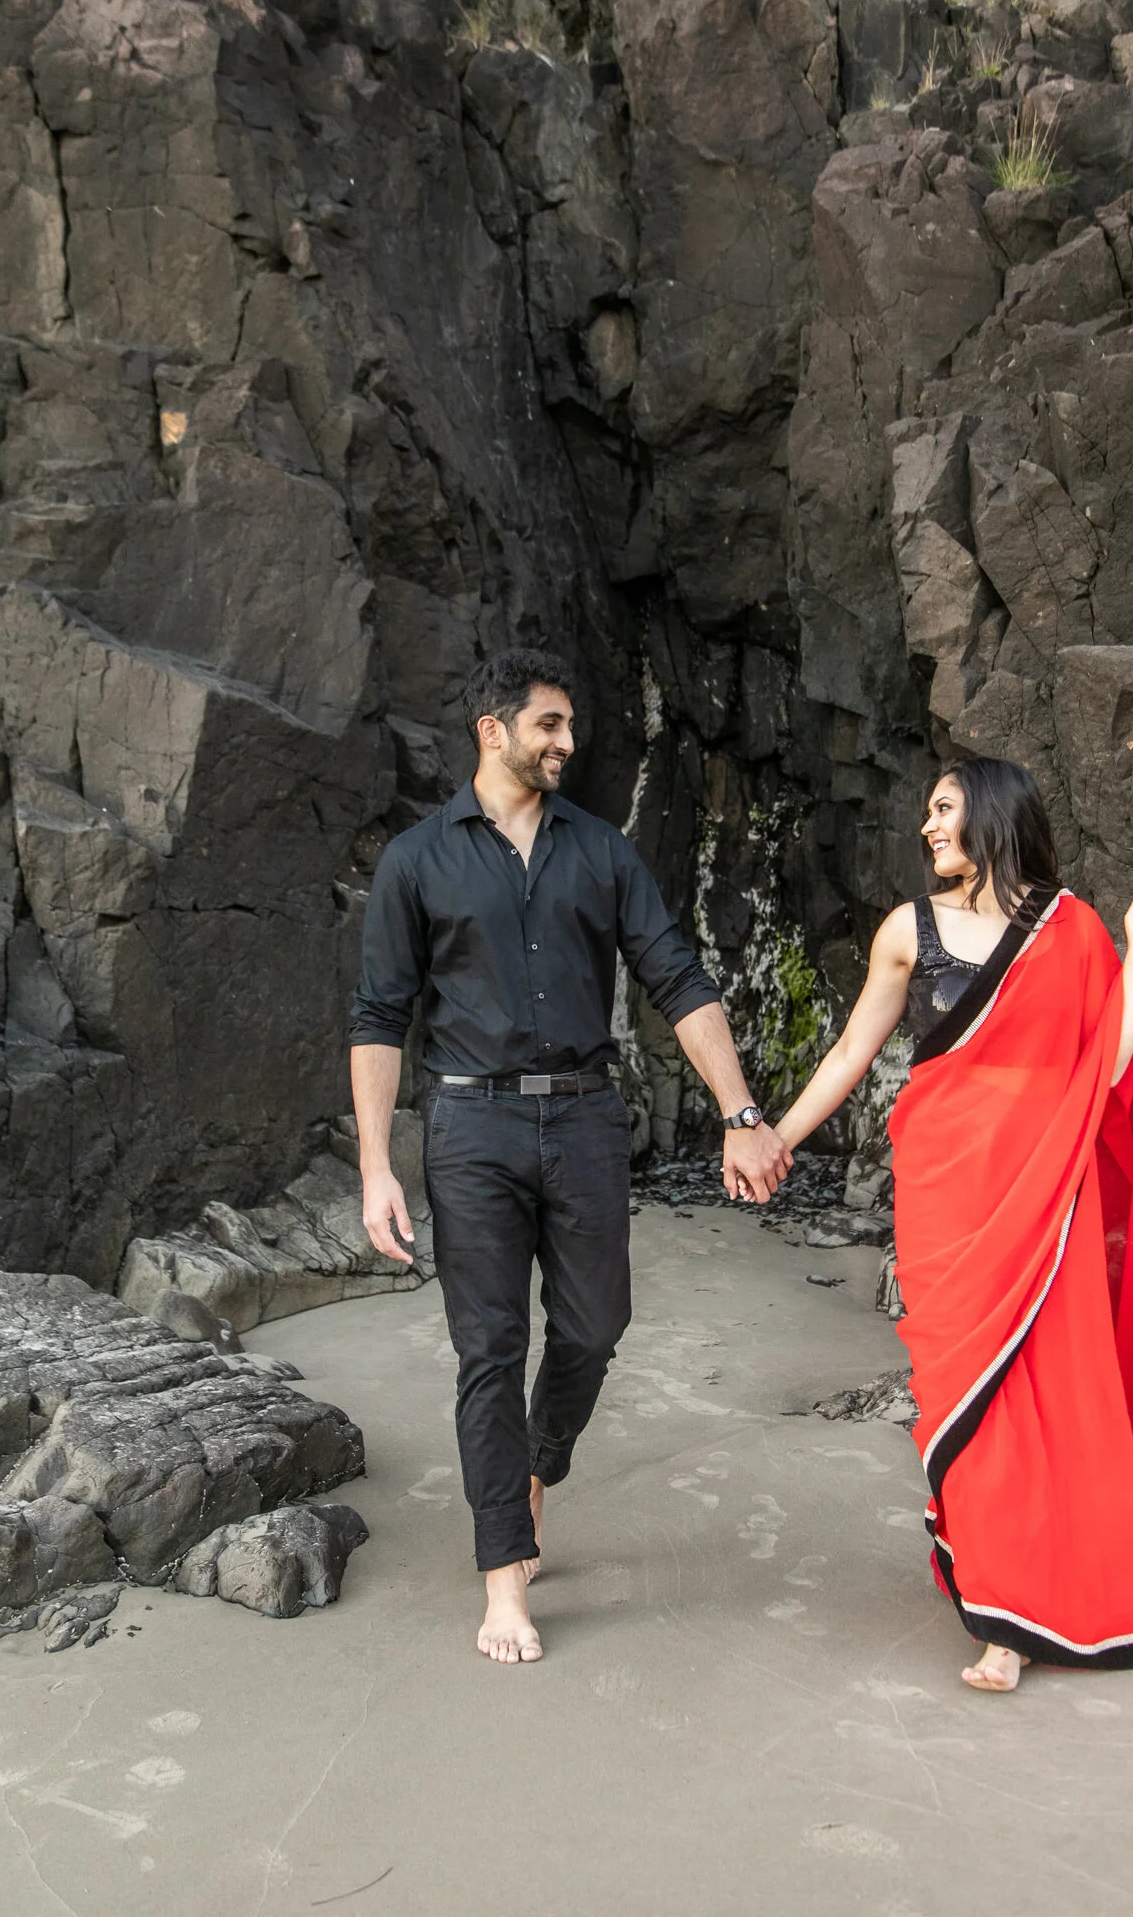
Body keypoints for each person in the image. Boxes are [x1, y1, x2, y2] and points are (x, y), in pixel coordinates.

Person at [349, 648, 793, 1665]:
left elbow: (676, 977)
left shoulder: (600, 850)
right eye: (548, 724)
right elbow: (377, 1017)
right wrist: (376, 1166)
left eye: (569, 725)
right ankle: (505, 1575)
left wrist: (740, 1111)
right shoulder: (416, 860)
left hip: (586, 1117)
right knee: (490, 1348)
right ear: (492, 730)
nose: (566, 742)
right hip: (470, 1127)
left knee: (595, 1328)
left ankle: (537, 1464)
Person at [774, 756, 1133, 1693]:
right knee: (964, 1399)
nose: (927, 826)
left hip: (1045, 1198)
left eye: (943, 809)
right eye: (926, 811)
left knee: (1053, 1395)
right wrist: (774, 1137)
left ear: (990, 813)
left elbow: (1107, 1070)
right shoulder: (907, 930)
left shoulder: (1070, 930)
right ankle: (997, 1588)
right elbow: (853, 1049)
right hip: (946, 1199)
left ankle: (1010, 1621)